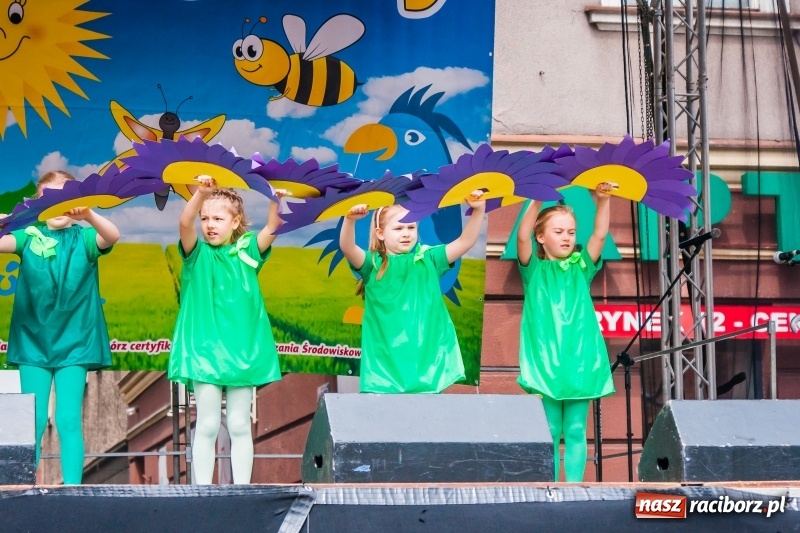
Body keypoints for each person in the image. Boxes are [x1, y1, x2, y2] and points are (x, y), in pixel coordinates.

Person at [0, 170, 120, 485]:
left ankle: (72, 491)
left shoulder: (83, 237)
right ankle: (22, 488)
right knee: (35, 421)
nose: (58, 208)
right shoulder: (29, 236)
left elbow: (112, 236)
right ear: (38, 206)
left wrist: (90, 213)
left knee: (67, 419)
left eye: (65, 199)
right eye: (49, 201)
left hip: (74, 341)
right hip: (33, 341)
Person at [168, 176, 284, 485]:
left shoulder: (247, 252)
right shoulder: (196, 255)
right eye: (205, 218)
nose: (209, 224)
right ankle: (201, 492)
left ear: (236, 223)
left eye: (218, 218)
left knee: (238, 423)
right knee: (206, 423)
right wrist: (201, 195)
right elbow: (184, 223)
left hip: (242, 352)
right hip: (205, 352)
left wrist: (276, 199)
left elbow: (273, 227)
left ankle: (242, 490)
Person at [515, 182, 616, 483]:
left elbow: (599, 235)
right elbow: (521, 236)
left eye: (571, 232)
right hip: (545, 364)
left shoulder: (581, 267)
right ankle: (550, 489)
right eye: (558, 232)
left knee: (574, 430)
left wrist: (604, 201)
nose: (566, 238)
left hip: (578, 362)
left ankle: (573, 489)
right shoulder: (533, 269)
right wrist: (535, 200)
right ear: (541, 237)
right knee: (549, 431)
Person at [339, 191, 485, 393]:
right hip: (386, 369)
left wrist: (478, 210)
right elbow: (347, 248)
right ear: (380, 233)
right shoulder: (372, 264)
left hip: (427, 366)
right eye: (398, 228)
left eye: (411, 227)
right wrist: (349, 220)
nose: (406, 233)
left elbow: (465, 242)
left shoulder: (430, 258)